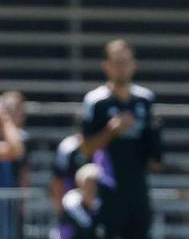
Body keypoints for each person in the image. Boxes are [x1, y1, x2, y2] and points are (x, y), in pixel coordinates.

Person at [80, 39, 162, 239]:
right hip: (108, 191)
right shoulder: (96, 101)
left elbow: (155, 156)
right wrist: (111, 131)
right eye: (116, 62)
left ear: (134, 64)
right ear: (106, 66)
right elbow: (86, 149)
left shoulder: (145, 99)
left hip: (138, 191)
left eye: (125, 62)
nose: (121, 68)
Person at [0, 91, 27, 237]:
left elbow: (17, 151)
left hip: (6, 208)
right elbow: (15, 150)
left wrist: (5, 120)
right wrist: (6, 120)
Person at [59, 164, 108, 239]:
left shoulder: (104, 207)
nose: (91, 189)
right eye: (88, 185)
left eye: (94, 185)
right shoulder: (69, 210)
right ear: (80, 185)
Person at [51, 130, 91, 218]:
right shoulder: (67, 146)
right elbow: (58, 178)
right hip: (73, 204)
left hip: (97, 202)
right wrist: (59, 209)